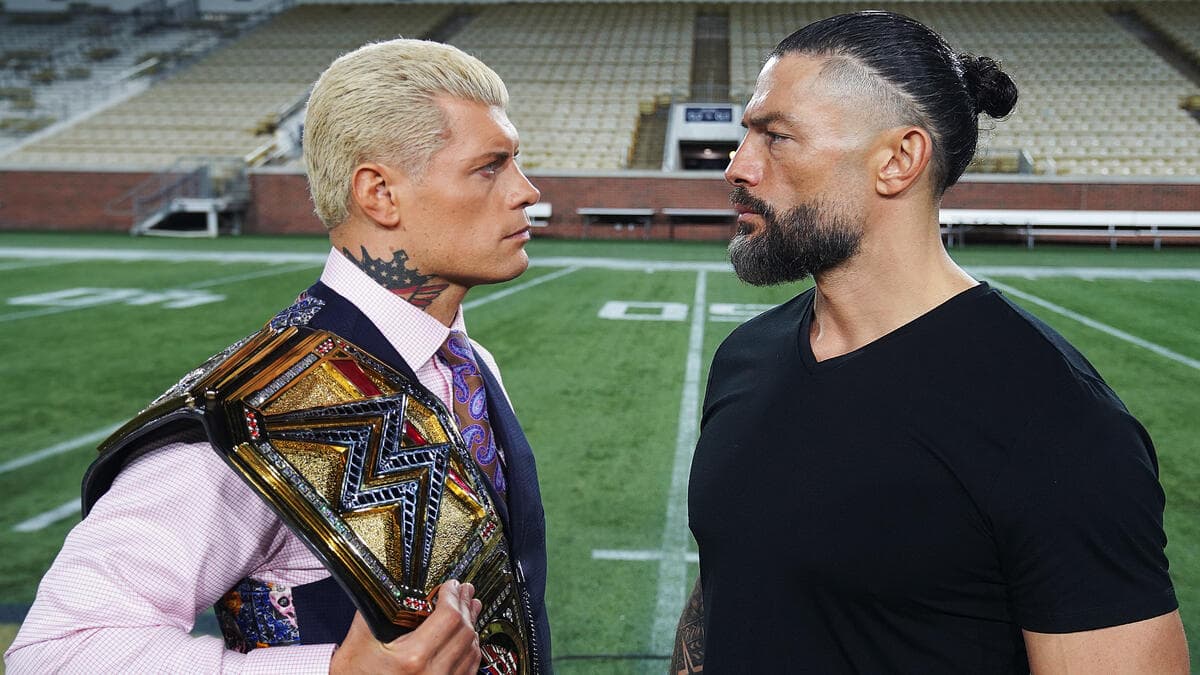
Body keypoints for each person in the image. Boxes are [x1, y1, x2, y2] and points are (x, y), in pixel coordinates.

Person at [6, 39, 551, 674]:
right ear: (379, 194)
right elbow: (55, 653)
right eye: (490, 167)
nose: (527, 190)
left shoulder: (467, 360)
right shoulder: (249, 410)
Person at [674, 10, 1189, 673]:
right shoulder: (746, 358)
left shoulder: (1056, 420)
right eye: (748, 134)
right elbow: (732, 587)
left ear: (898, 160)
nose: (737, 167)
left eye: (776, 137)